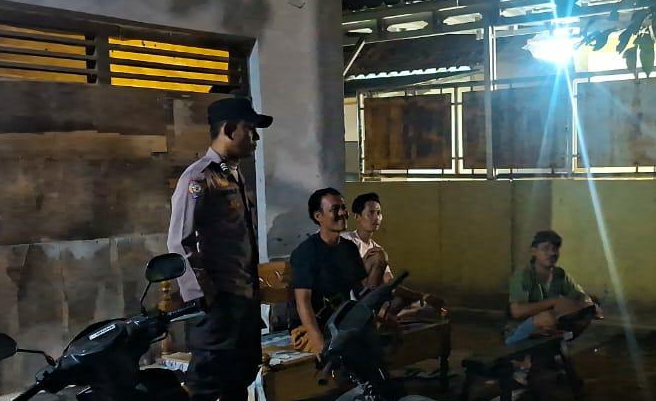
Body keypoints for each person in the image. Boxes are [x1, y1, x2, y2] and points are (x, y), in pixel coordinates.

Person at [166, 97, 272, 401]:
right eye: (249, 129)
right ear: (228, 130)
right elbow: (179, 241)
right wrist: (203, 297)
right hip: (219, 305)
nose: (255, 137)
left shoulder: (232, 174)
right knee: (207, 387)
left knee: (239, 380)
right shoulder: (198, 177)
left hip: (243, 300)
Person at [343, 192, 446, 321]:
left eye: (379, 213)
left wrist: (423, 296)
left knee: (412, 302)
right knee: (380, 257)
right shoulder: (347, 240)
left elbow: (390, 284)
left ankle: (390, 314)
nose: (376, 217)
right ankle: (371, 313)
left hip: (375, 298)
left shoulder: (377, 248)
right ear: (357, 216)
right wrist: (364, 261)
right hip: (352, 301)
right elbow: (343, 277)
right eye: (371, 213)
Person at [289, 188, 368, 354]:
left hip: (340, 323)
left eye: (343, 207)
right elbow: (303, 303)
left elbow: (361, 292)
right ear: (319, 216)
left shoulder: (349, 248)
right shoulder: (306, 252)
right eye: (335, 209)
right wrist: (320, 345)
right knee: (347, 349)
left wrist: (381, 314)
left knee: (378, 338)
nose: (343, 213)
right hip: (308, 329)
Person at [506, 230, 599, 346]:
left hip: (550, 325)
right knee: (548, 318)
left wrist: (588, 305)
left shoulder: (559, 274)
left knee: (588, 310)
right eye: (545, 249)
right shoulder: (523, 276)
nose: (551, 253)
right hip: (519, 329)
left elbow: (580, 296)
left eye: (555, 249)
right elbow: (517, 312)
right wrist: (553, 302)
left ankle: (560, 343)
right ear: (534, 251)